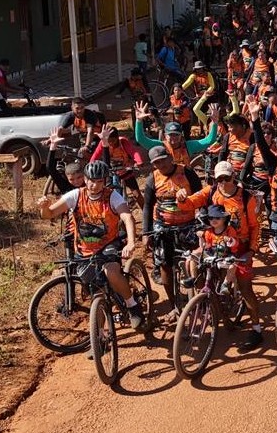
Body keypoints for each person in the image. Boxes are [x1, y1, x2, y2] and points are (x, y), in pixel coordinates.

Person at [38, 161, 144, 330]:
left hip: (109, 245)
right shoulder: (75, 195)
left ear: (105, 181)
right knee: (97, 293)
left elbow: (127, 217)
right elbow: (49, 214)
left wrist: (131, 242)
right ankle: (99, 337)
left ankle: (132, 305)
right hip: (83, 249)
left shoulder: (112, 196)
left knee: (111, 271)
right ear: (85, 179)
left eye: (99, 181)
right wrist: (44, 207)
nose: (94, 185)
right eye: (90, 180)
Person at [175, 161, 263, 350]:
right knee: (194, 263)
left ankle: (257, 329)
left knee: (246, 288)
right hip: (214, 244)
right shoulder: (210, 192)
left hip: (239, 248)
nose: (223, 182)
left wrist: (252, 250)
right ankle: (205, 301)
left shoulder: (246, 197)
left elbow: (255, 226)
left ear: (234, 176)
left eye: (227, 178)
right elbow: (189, 204)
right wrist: (181, 197)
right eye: (219, 178)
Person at [141, 144, 203, 322]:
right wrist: (146, 232)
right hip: (163, 226)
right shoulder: (153, 179)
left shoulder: (187, 172)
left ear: (170, 156)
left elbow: (200, 196)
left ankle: (202, 299)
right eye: (156, 163)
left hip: (188, 224)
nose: (161, 165)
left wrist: (202, 218)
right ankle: (174, 306)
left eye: (162, 160)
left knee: (197, 260)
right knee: (164, 266)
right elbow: (147, 205)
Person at [133, 101, 219, 168]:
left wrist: (215, 123)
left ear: (181, 136)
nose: (173, 137)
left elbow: (210, 140)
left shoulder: (188, 146)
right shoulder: (160, 146)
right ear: (165, 136)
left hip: (185, 180)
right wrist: (139, 121)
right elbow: (141, 139)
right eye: (171, 135)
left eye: (176, 135)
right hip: (165, 183)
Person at [89, 125, 145, 208]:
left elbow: (133, 152)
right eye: (109, 141)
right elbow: (95, 155)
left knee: (137, 194)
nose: (111, 143)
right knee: (109, 195)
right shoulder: (103, 143)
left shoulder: (123, 142)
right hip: (112, 173)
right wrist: (91, 165)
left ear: (117, 137)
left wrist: (139, 161)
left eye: (113, 140)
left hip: (126, 171)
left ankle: (147, 214)